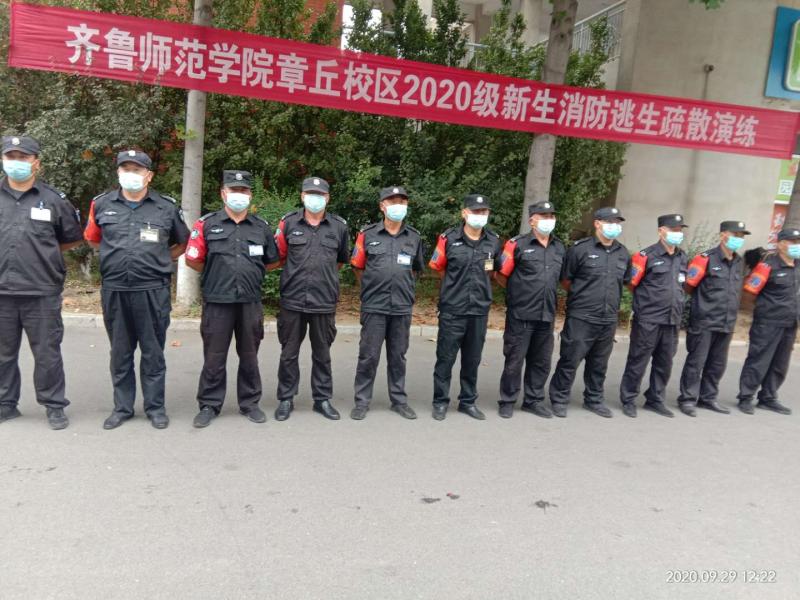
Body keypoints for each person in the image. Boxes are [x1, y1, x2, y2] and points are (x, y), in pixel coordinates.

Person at [84, 149, 189, 430]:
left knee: (153, 352)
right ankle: (122, 407)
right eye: (125, 169)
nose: (130, 174)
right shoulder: (101, 204)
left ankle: (155, 407)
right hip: (115, 289)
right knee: (120, 352)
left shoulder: (166, 207)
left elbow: (182, 242)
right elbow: (93, 239)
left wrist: (160, 259)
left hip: (152, 290)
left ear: (149, 176)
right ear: (118, 172)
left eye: (137, 170)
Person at [185, 170, 280, 428]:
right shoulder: (206, 224)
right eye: (234, 190)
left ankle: (249, 403)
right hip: (217, 301)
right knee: (214, 357)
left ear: (250, 195)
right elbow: (194, 259)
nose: (239, 194)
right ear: (223, 193)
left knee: (250, 355)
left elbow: (272, 261)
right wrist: (218, 274)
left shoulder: (261, 227)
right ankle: (209, 404)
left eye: (243, 190)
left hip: (250, 301)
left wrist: (250, 273)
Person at [0, 135, 84, 430]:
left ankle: (54, 405)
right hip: (2, 291)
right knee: (2, 353)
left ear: (36, 163)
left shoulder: (54, 200)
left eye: (23, 157)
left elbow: (70, 239)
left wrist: (40, 255)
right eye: (11, 157)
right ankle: (5, 404)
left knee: (47, 353)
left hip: (41, 290)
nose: (16, 162)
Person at [273, 177, 349, 421]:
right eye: (310, 193)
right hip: (293, 299)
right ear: (302, 196)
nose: (315, 198)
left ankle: (322, 399)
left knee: (322, 354)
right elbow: (279, 256)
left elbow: (340, 260)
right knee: (289, 353)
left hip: (324, 300)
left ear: (327, 198)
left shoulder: (339, 227)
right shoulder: (288, 223)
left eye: (320, 194)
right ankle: (286, 398)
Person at [349, 186, 425, 420]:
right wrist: (373, 286)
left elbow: (416, 269)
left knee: (398, 356)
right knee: (368, 356)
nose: (397, 206)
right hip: (374, 305)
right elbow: (358, 266)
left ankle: (399, 400)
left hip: (401, 306)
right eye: (392, 202)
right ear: (382, 206)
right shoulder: (367, 234)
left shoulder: (414, 237)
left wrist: (401, 286)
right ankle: (362, 401)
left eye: (402, 201)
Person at [548, 207, 631, 418]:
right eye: (610, 222)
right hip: (582, 316)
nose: (614, 226)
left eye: (617, 222)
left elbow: (624, 282)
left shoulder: (623, 253)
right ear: (597, 223)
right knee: (570, 359)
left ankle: (593, 399)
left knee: (599, 364)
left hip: (608, 317)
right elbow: (566, 280)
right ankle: (559, 399)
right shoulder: (579, 250)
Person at [428, 194, 501, 420]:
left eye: (484, 212)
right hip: (453, 309)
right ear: (464, 213)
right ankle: (440, 401)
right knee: (445, 358)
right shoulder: (448, 238)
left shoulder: (493, 241)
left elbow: (494, 271)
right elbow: (438, 267)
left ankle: (467, 401)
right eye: (476, 211)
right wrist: (454, 287)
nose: (480, 215)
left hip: (479, 310)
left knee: (472, 359)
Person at [495, 200, 565, 419]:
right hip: (521, 314)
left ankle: (533, 400)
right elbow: (500, 274)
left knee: (541, 361)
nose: (549, 220)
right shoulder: (516, 244)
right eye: (544, 216)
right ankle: (507, 400)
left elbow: (562, 278)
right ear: (532, 221)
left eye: (551, 216)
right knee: (514, 360)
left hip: (546, 314)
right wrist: (518, 293)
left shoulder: (559, 247)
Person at [618, 214, 689, 418]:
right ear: (661, 231)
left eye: (680, 230)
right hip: (648, 319)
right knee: (638, 360)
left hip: (672, 319)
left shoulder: (682, 257)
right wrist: (647, 303)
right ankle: (628, 399)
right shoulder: (645, 256)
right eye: (673, 229)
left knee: (664, 362)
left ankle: (655, 399)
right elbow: (631, 283)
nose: (678, 233)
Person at [676, 221, 749, 416]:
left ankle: (708, 398)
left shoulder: (739, 261)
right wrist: (703, 307)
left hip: (726, 322)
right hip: (704, 321)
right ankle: (688, 399)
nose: (739, 239)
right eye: (735, 235)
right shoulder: (704, 259)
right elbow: (688, 286)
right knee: (696, 362)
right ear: (723, 235)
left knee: (717, 364)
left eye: (741, 236)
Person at [736, 227, 800, 415]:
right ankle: (746, 397)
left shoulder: (798, 266)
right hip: (767, 323)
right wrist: (762, 311)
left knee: (780, 363)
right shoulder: (767, 265)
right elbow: (749, 292)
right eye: (793, 242)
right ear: (780, 244)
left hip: (790, 323)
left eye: (798, 242)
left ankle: (768, 398)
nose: (797, 245)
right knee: (759, 360)